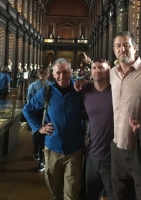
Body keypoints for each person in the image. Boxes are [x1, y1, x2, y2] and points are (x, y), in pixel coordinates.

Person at [75, 31, 141, 200]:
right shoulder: (113, 73)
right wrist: (86, 82)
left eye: (126, 45)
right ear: (114, 51)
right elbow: (98, 79)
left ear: (135, 48)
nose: (122, 49)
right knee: (120, 195)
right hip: (117, 149)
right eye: (118, 46)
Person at [23, 58, 84, 200]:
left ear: (71, 72)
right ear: (53, 74)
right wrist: (39, 128)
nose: (62, 76)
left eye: (65, 72)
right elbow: (27, 109)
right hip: (52, 150)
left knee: (72, 194)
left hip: (74, 150)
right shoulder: (47, 92)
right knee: (55, 192)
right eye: (58, 73)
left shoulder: (79, 91)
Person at [81, 58, 114, 200]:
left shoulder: (117, 90)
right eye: (94, 68)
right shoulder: (84, 92)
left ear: (109, 71)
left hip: (112, 158)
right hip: (91, 156)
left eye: (101, 68)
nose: (97, 70)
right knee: (92, 196)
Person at [27, 68, 51, 172]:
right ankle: (42, 161)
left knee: (36, 130)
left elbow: (29, 99)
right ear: (48, 74)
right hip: (47, 113)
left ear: (38, 75)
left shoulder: (33, 85)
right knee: (44, 135)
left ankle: (36, 152)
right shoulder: (50, 85)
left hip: (35, 112)